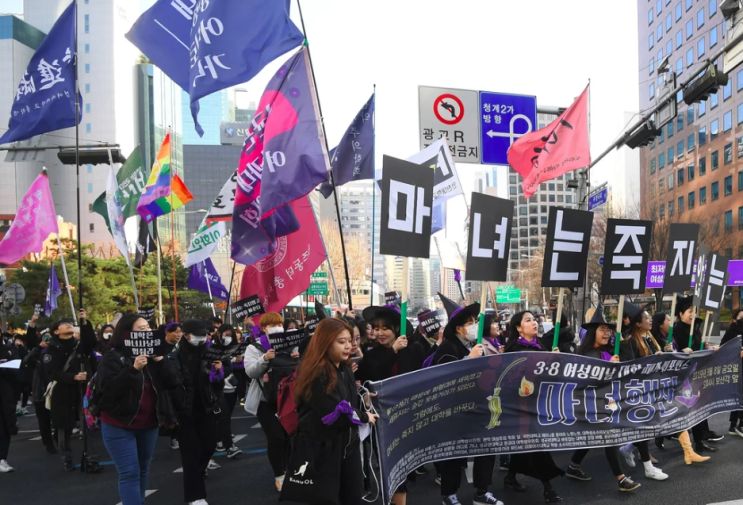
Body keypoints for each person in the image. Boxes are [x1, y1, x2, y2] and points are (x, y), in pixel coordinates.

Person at [280, 318, 378, 505]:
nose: (349, 346)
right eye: (341, 342)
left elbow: (348, 400)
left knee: (353, 496)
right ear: (324, 343)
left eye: (350, 340)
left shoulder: (345, 367)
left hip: (347, 446)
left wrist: (363, 397)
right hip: (322, 449)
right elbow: (337, 412)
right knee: (326, 499)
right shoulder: (318, 372)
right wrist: (366, 416)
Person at [96, 313, 179, 505]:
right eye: (141, 329)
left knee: (142, 469)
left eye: (149, 328)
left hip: (149, 423)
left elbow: (175, 381)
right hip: (119, 423)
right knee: (129, 472)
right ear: (127, 334)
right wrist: (132, 370)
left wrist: (161, 360)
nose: (148, 332)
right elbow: (107, 392)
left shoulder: (156, 355)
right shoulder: (113, 358)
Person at [430, 295, 503, 505]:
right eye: (470, 323)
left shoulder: (477, 345)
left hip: (478, 406)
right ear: (459, 328)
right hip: (455, 410)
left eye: (475, 321)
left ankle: (482, 492)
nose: (474, 326)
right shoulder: (448, 347)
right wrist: (469, 359)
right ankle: (449, 495)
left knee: (486, 448)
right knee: (453, 453)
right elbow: (445, 376)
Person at [565, 304, 641, 492]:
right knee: (609, 437)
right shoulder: (588, 354)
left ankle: (573, 466)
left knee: (593, 438)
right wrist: (608, 366)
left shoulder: (610, 350)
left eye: (608, 330)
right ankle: (621, 478)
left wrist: (621, 341)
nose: (606, 333)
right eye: (602, 329)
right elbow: (589, 379)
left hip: (609, 401)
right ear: (593, 331)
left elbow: (629, 362)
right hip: (592, 404)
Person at [357, 304, 417, 505]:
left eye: (385, 328)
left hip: (408, 415)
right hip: (381, 418)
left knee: (404, 463)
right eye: (376, 328)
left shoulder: (412, 351)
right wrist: (392, 351)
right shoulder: (372, 354)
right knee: (389, 463)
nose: (379, 333)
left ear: (396, 329)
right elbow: (372, 377)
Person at [503, 311, 564, 503]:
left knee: (525, 447)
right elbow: (512, 378)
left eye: (534, 320)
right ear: (518, 328)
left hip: (538, 403)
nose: (534, 323)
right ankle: (548, 488)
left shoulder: (540, 346)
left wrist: (553, 360)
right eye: (528, 320)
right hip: (520, 406)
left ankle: (511, 476)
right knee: (536, 446)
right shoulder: (514, 349)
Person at [169, 319, 224, 505]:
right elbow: (169, 382)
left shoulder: (209, 353)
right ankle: (195, 496)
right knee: (190, 453)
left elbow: (217, 383)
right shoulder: (174, 355)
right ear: (186, 335)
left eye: (204, 335)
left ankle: (196, 476)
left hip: (206, 407)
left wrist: (218, 370)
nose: (202, 339)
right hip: (184, 410)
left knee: (209, 446)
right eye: (198, 335)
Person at [615, 303, 668, 481]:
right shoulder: (630, 340)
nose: (650, 319)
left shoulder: (649, 337)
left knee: (652, 424)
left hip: (652, 387)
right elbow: (633, 364)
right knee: (644, 425)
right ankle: (647, 466)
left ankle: (629, 448)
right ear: (637, 323)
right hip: (639, 389)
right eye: (646, 317)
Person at [44, 309, 100, 472]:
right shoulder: (51, 350)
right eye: (63, 324)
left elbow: (91, 341)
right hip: (63, 392)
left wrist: (84, 322)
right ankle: (66, 458)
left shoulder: (79, 345)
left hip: (82, 390)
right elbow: (52, 373)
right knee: (63, 427)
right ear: (56, 332)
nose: (68, 324)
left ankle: (91, 458)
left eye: (69, 323)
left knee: (87, 425)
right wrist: (73, 377)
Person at [244, 312, 291, 492]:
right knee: (276, 437)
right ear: (263, 328)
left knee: (289, 437)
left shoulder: (289, 344)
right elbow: (250, 372)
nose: (277, 327)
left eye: (279, 324)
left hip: (288, 398)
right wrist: (264, 359)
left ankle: (289, 469)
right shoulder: (254, 347)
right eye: (272, 325)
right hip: (266, 400)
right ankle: (279, 474)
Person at [672, 295, 724, 452]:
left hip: (697, 374)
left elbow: (697, 349)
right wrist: (682, 352)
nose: (692, 314)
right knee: (691, 408)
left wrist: (706, 347)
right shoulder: (677, 330)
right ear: (680, 314)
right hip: (685, 377)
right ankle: (697, 440)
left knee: (700, 406)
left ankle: (702, 436)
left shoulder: (693, 328)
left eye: (694, 311)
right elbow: (673, 352)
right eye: (689, 311)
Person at [213, 324, 241, 458]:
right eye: (225, 334)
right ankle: (229, 447)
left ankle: (219, 440)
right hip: (218, 389)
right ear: (219, 334)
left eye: (230, 335)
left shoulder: (234, 348)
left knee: (227, 417)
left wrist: (232, 361)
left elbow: (229, 368)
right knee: (223, 417)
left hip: (231, 387)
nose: (227, 337)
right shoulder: (212, 348)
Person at [721, 308, 743, 436]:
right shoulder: (731, 331)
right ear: (734, 319)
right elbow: (723, 346)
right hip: (737, 368)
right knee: (739, 397)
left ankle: (733, 425)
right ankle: (738, 425)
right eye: (741, 318)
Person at [0, 338, 18, 472]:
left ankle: (2, 459)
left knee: (5, 426)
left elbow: (17, 369)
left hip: (4, 393)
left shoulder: (6, 350)